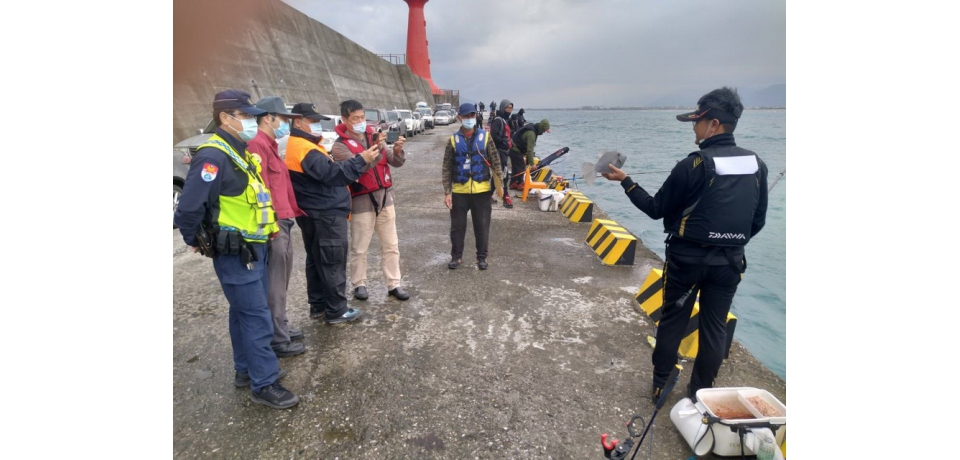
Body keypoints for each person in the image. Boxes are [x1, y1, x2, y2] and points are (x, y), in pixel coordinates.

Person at [601, 87, 768, 403]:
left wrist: (625, 181)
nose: (694, 128)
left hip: (686, 261)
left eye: (697, 122)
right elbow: (756, 222)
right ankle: (700, 395)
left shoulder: (693, 165)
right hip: (730, 264)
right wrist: (728, 244)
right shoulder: (757, 165)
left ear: (713, 124)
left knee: (673, 321)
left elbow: (654, 209)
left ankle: (660, 385)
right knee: (714, 329)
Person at [174, 89, 298, 409]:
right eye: (245, 116)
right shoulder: (213, 155)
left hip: (252, 248)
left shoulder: (238, 151)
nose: (252, 122)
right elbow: (188, 208)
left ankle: (246, 371)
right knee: (256, 316)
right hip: (235, 252)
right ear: (225, 118)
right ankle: (264, 382)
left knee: (243, 313)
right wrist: (195, 239)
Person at [285, 102, 381, 325]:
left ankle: (318, 304)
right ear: (298, 122)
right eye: (313, 121)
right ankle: (337, 310)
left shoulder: (299, 144)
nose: (317, 125)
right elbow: (332, 174)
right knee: (331, 261)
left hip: (312, 212)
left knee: (317, 259)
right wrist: (362, 159)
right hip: (324, 214)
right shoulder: (304, 148)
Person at [329, 100, 411, 302]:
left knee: (391, 244)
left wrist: (398, 150)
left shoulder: (375, 137)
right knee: (359, 247)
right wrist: (374, 149)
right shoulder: (339, 146)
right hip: (361, 201)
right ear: (345, 120)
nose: (360, 121)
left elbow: (393, 160)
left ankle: (394, 284)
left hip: (385, 198)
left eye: (362, 117)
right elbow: (356, 169)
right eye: (355, 118)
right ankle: (359, 284)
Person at [247, 96, 306, 358]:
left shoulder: (269, 145)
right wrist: (270, 225)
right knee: (274, 282)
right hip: (273, 224)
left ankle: (280, 325)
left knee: (281, 280)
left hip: (283, 219)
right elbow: (259, 189)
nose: (284, 124)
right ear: (268, 118)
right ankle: (277, 338)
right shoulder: (256, 145)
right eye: (282, 119)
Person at [442, 103, 504, 270]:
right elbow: (447, 167)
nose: (469, 119)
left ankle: (481, 258)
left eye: (472, 116)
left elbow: (496, 162)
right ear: (459, 118)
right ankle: (456, 257)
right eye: (466, 116)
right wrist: (447, 192)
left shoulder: (486, 137)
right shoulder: (453, 140)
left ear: (475, 116)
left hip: (482, 191)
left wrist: (500, 187)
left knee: (482, 226)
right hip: (459, 192)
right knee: (457, 227)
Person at [507, 118, 550, 189]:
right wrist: (532, 164)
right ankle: (520, 184)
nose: (544, 132)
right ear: (542, 128)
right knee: (521, 168)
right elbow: (529, 150)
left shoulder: (533, 128)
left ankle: (513, 183)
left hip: (513, 148)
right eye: (544, 130)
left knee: (516, 168)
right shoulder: (532, 134)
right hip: (515, 149)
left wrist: (528, 160)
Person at [488, 99, 515, 208]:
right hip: (498, 152)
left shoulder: (505, 120)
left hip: (504, 152)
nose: (509, 110)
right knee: (501, 175)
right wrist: (503, 141)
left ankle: (489, 195)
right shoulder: (498, 120)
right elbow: (493, 135)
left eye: (511, 108)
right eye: (507, 108)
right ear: (502, 108)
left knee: (501, 174)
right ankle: (505, 196)